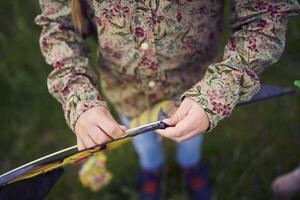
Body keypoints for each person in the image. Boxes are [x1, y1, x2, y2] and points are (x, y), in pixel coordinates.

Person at [35, 0, 300, 199]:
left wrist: (216, 92)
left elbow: (266, 14)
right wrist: (79, 100)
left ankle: (191, 167)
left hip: (193, 94)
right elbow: (60, 27)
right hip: (127, 95)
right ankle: (152, 171)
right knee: (145, 147)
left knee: (190, 142)